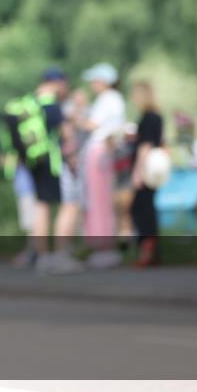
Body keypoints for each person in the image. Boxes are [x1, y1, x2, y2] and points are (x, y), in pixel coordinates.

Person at [2, 68, 83, 274]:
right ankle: (61, 256)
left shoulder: (28, 102)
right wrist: (73, 158)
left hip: (33, 162)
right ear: (57, 83)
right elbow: (65, 133)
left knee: (41, 206)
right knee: (69, 205)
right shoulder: (50, 103)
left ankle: (43, 257)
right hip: (52, 162)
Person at [76, 62, 126, 269]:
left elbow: (90, 124)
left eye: (95, 80)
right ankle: (102, 245)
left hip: (99, 153)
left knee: (99, 199)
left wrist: (78, 111)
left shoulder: (108, 99)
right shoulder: (111, 99)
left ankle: (104, 245)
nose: (92, 84)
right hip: (102, 152)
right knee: (99, 198)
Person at [129, 80, 164, 267]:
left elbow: (146, 146)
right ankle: (152, 252)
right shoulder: (156, 117)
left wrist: (137, 171)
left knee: (141, 209)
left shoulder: (148, 118)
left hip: (146, 170)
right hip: (154, 171)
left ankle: (146, 251)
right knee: (147, 208)